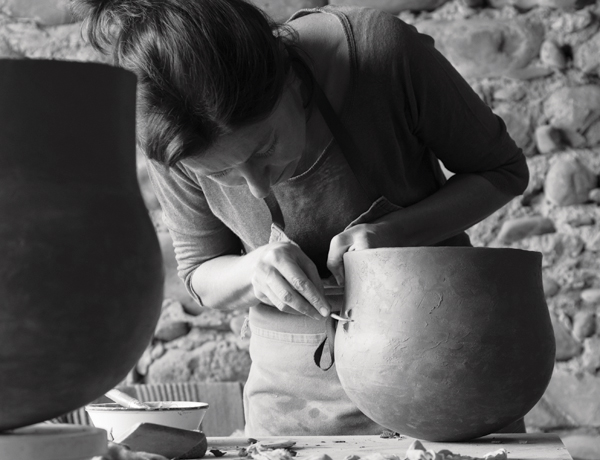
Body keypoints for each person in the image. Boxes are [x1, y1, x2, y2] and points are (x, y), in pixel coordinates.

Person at [75, 0, 529, 436]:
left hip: (446, 372)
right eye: (222, 174)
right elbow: (199, 272)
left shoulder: (381, 53)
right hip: (292, 408)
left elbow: (503, 171)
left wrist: (398, 232)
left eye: (264, 148)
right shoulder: (168, 130)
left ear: (291, 79)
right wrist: (252, 271)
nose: (255, 187)